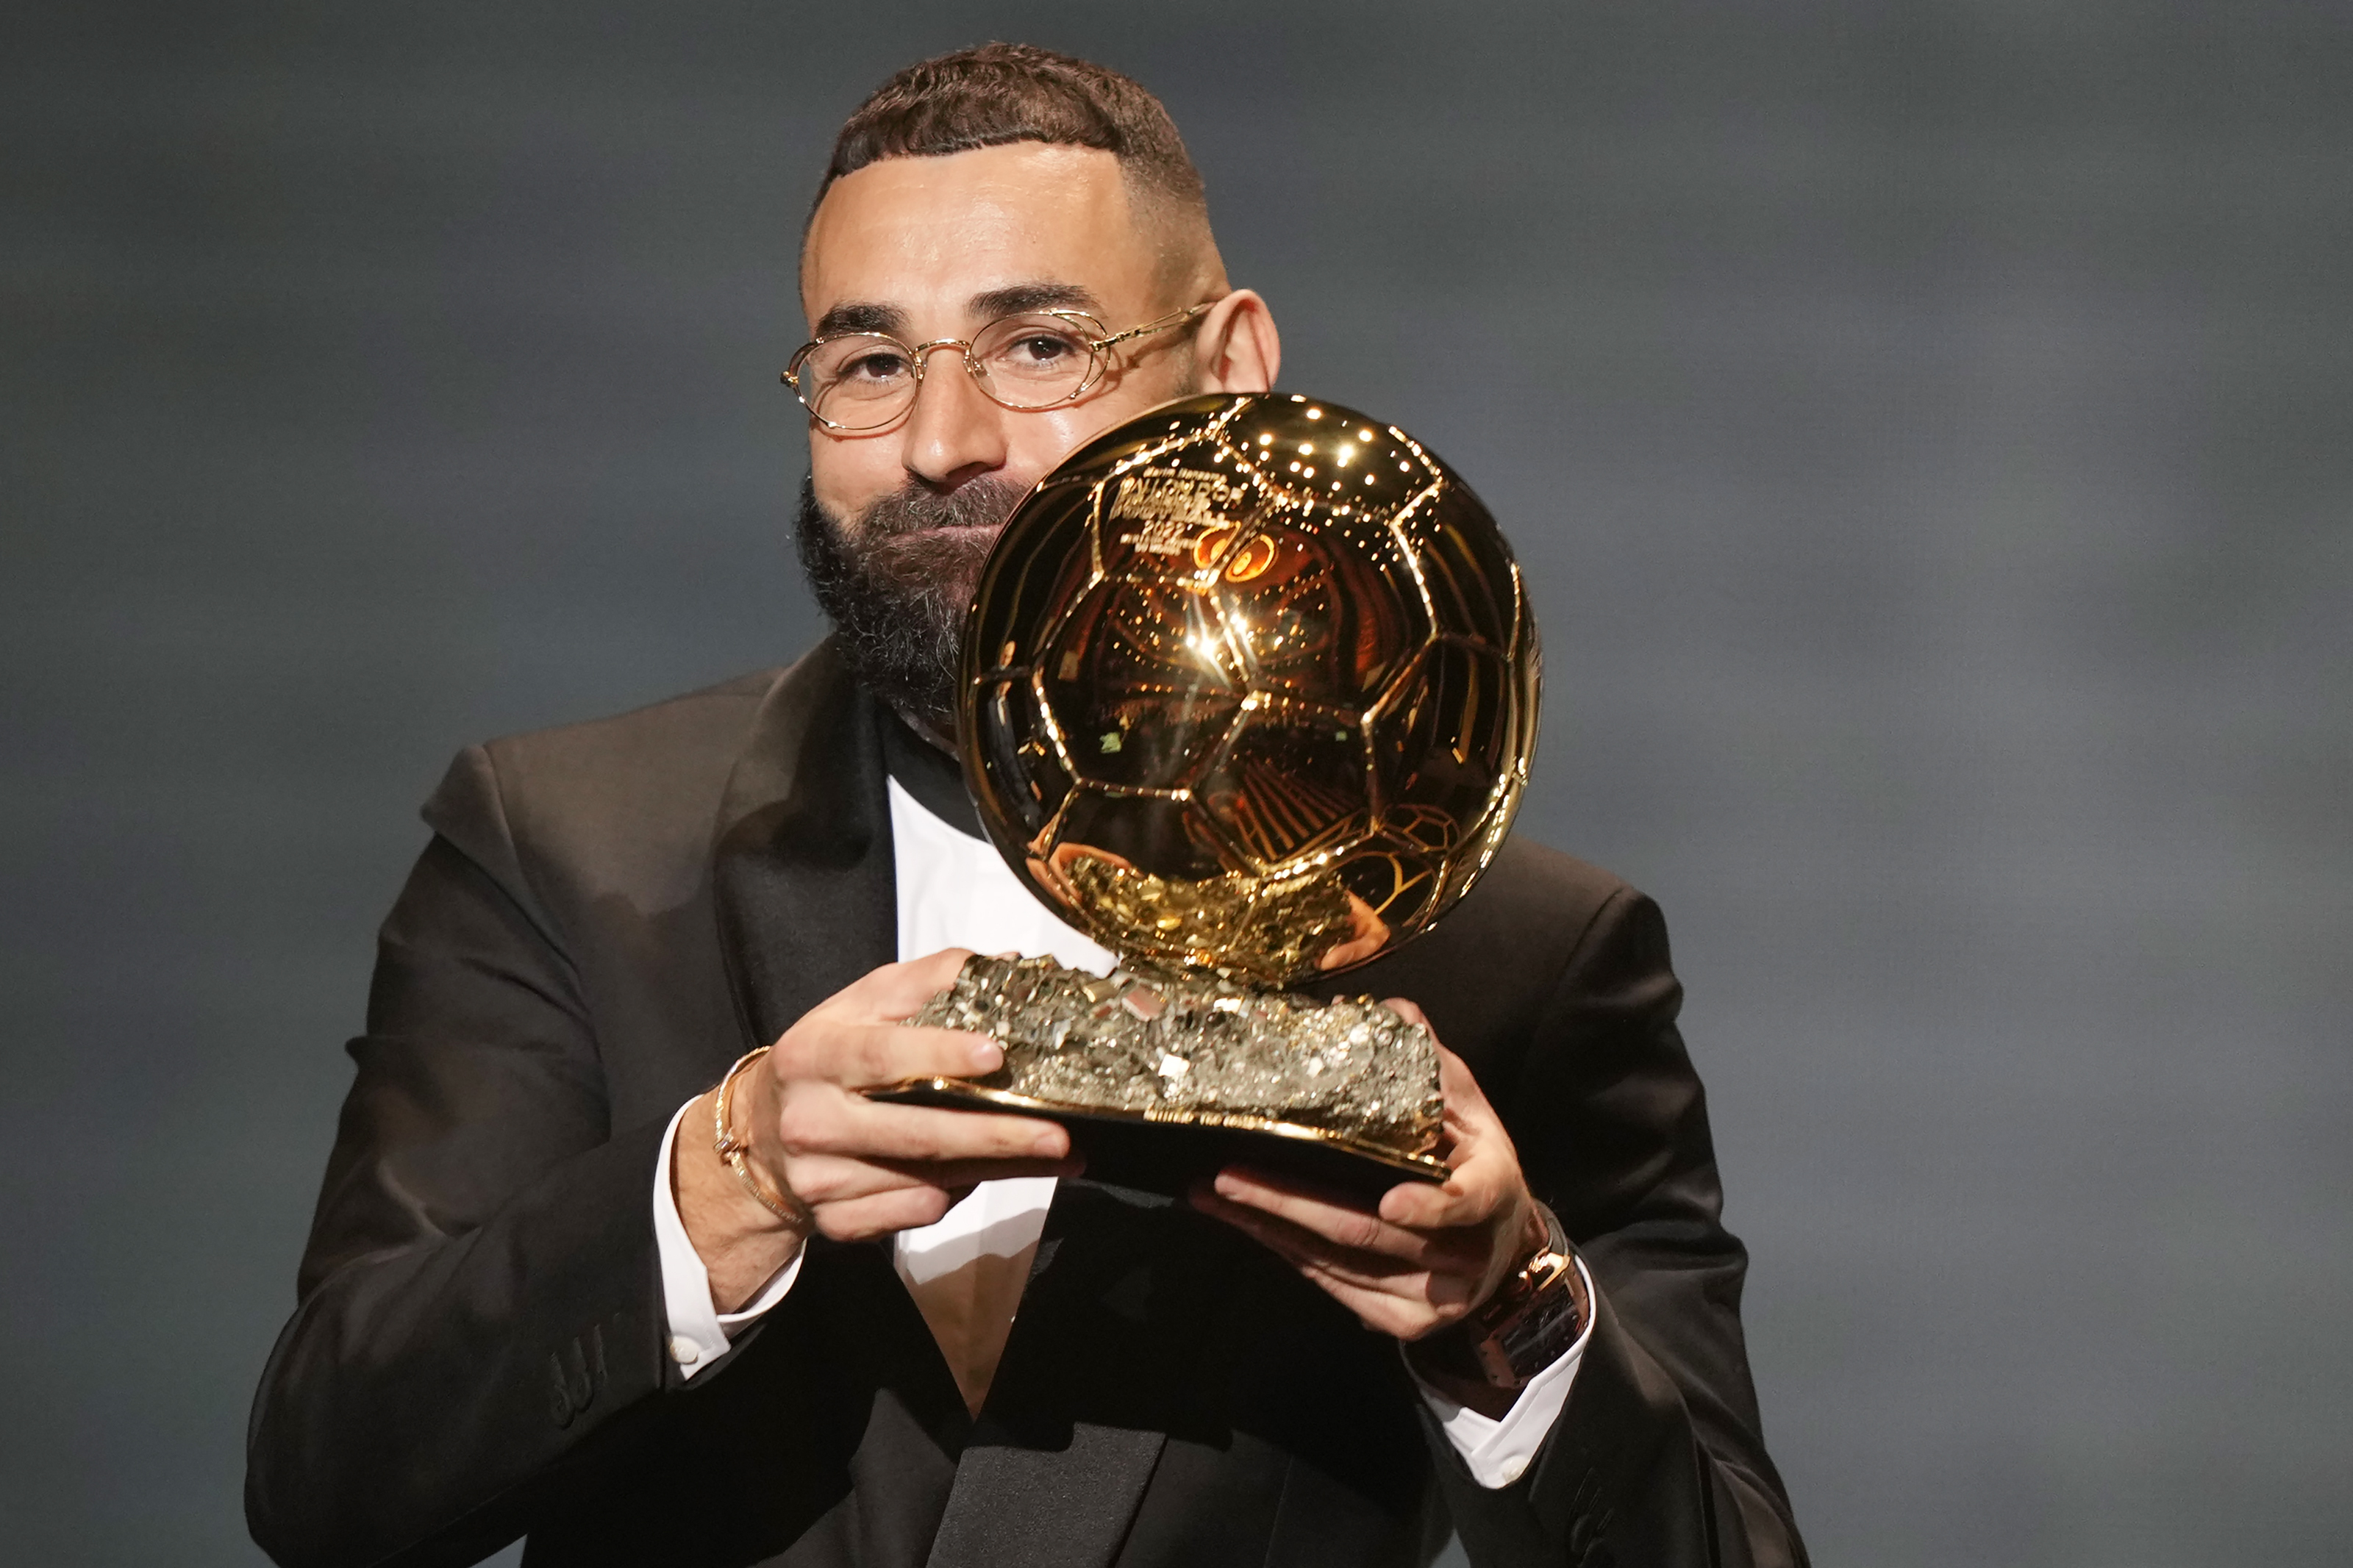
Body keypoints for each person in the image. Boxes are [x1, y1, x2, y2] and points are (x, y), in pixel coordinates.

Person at [246, 43, 1804, 1568]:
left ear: (1233, 366)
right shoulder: (567, 845)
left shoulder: (1520, 951)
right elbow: (329, 1479)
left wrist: (1509, 1307)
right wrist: (723, 1176)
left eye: (1038, 346)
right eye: (868, 364)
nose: (940, 444)